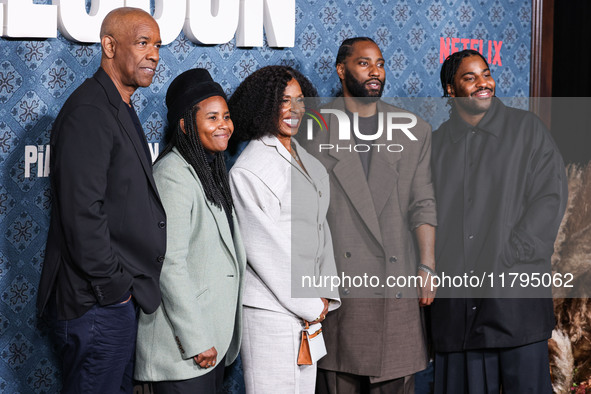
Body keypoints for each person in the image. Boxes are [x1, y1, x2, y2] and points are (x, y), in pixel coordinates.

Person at [36, 8, 165, 394]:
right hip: (95, 305)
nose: (154, 54)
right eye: (143, 43)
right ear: (109, 46)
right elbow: (82, 215)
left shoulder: (118, 105)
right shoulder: (90, 112)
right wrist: (115, 291)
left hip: (110, 305)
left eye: (157, 45)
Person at [298, 37, 437, 394]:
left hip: (395, 289)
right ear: (341, 69)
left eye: (380, 63)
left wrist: (427, 265)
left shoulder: (413, 130)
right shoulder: (311, 127)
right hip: (339, 292)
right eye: (364, 63)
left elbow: (422, 202)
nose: (375, 71)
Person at [430, 49, 568, 393]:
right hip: (458, 312)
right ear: (451, 89)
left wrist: (507, 256)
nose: (483, 83)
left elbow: (549, 199)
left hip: (513, 302)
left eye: (486, 73)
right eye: (470, 77)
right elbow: (424, 211)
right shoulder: (437, 145)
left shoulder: (527, 130)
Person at [228, 65, 341, 393]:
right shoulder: (251, 169)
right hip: (269, 312)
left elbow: (322, 232)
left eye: (299, 100)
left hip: (306, 311)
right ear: (264, 106)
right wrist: (311, 303)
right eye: (283, 101)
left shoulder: (307, 160)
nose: (294, 109)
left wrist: (324, 295)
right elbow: (264, 250)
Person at [134, 68, 245, 393]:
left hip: (211, 342)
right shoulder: (172, 176)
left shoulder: (208, 170)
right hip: (180, 349)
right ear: (185, 125)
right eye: (212, 118)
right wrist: (197, 340)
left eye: (226, 116)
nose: (224, 125)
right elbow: (169, 265)